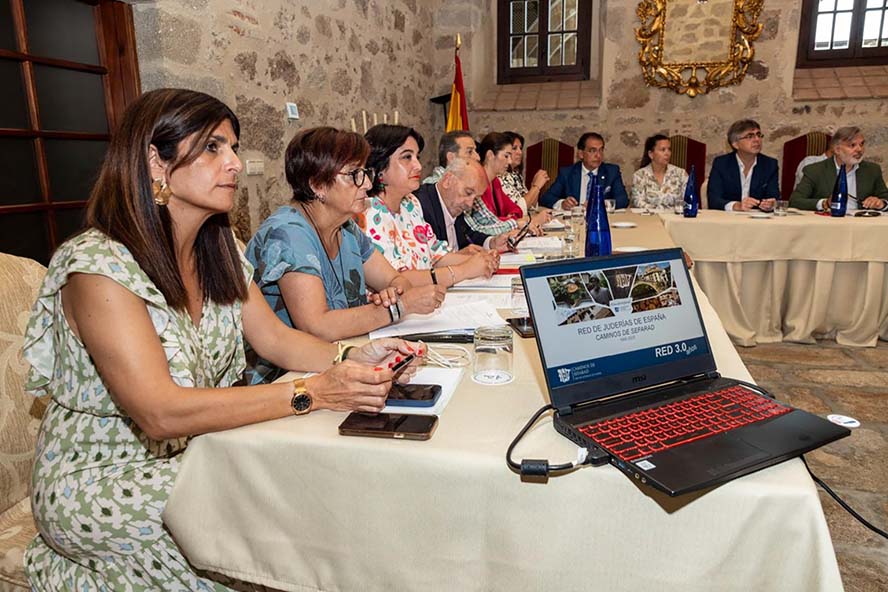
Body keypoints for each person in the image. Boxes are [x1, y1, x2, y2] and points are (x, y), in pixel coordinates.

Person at [20, 89, 421, 591]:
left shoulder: (221, 251)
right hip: (103, 478)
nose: (234, 162)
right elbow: (159, 412)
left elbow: (276, 340)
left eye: (232, 146)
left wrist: (354, 356)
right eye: (212, 147)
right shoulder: (100, 267)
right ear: (154, 161)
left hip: (200, 449)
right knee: (287, 510)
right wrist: (312, 392)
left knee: (327, 485)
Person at [246, 126, 442, 369]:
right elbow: (317, 326)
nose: (368, 183)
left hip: (347, 354)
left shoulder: (347, 228)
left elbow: (397, 281)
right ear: (317, 185)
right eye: (354, 174)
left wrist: (391, 295)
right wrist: (395, 308)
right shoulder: (287, 234)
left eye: (366, 172)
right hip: (291, 374)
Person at [358, 123, 499, 287]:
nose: (418, 166)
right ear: (380, 166)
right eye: (407, 157)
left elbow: (436, 255)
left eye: (417, 157)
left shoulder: (411, 204)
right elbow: (396, 279)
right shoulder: (367, 213)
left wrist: (482, 259)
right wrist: (464, 270)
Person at [415, 158, 513, 253]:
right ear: (448, 180)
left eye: (475, 199)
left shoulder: (453, 203)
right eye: (468, 192)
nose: (469, 204)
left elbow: (468, 234)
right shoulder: (420, 207)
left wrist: (491, 243)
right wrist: (459, 258)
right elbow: (428, 260)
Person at [790, 126, 888, 212]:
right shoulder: (815, 170)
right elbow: (795, 201)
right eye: (852, 145)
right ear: (837, 150)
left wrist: (881, 203)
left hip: (862, 226)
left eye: (861, 144)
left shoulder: (872, 170)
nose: (859, 150)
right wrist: (825, 203)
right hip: (828, 225)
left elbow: (885, 197)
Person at [479, 132, 551, 231]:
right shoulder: (479, 183)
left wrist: (514, 219)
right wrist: (525, 220)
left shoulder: (495, 182)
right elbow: (489, 223)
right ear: (490, 155)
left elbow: (517, 210)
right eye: (506, 156)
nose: (509, 161)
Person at [539, 132, 629, 210]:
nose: (598, 155)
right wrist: (562, 204)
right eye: (592, 151)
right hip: (575, 220)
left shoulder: (611, 171)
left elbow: (623, 200)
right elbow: (546, 198)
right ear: (581, 154)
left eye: (601, 150)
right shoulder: (567, 173)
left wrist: (601, 204)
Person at [707, 119, 779, 211]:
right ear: (735, 144)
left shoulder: (770, 164)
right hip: (729, 219)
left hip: (757, 220)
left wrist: (771, 204)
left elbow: (773, 196)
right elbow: (714, 200)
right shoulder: (721, 164)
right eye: (750, 136)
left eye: (759, 135)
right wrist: (736, 206)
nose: (757, 140)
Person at [631, 134, 689, 210]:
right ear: (651, 154)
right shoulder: (639, 176)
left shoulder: (681, 174)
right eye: (663, 150)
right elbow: (638, 202)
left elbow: (687, 200)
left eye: (669, 149)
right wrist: (661, 211)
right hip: (649, 218)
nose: (667, 153)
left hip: (675, 218)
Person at [498, 131, 549, 215]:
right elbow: (518, 210)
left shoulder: (516, 175)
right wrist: (536, 186)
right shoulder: (500, 176)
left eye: (520, 148)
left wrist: (534, 184)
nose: (520, 152)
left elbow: (531, 206)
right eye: (514, 148)